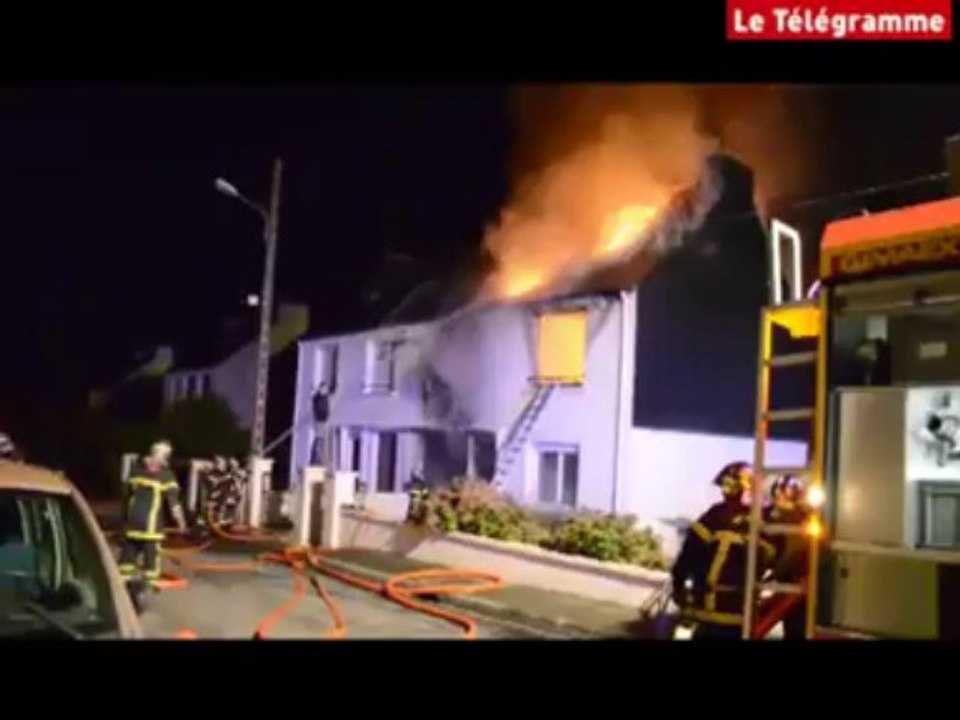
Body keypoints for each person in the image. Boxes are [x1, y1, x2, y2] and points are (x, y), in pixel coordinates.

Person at [671, 461, 775, 639]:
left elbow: (688, 556)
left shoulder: (717, 515)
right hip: (736, 616)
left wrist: (680, 586)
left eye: (728, 485)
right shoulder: (768, 521)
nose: (723, 491)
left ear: (745, 484)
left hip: (715, 615)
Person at [119, 440, 187, 587]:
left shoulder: (135, 471)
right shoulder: (166, 476)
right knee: (151, 566)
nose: (167, 459)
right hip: (151, 529)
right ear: (161, 456)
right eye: (166, 456)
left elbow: (125, 497)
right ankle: (145, 590)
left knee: (126, 563)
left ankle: (124, 589)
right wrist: (181, 523)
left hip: (131, 526)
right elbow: (173, 503)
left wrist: (123, 521)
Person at [762, 474, 811, 639]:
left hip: (793, 581)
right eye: (779, 494)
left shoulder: (806, 518)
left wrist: (773, 575)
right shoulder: (765, 515)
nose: (782, 499)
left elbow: (798, 549)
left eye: (786, 495)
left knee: (795, 626)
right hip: (769, 576)